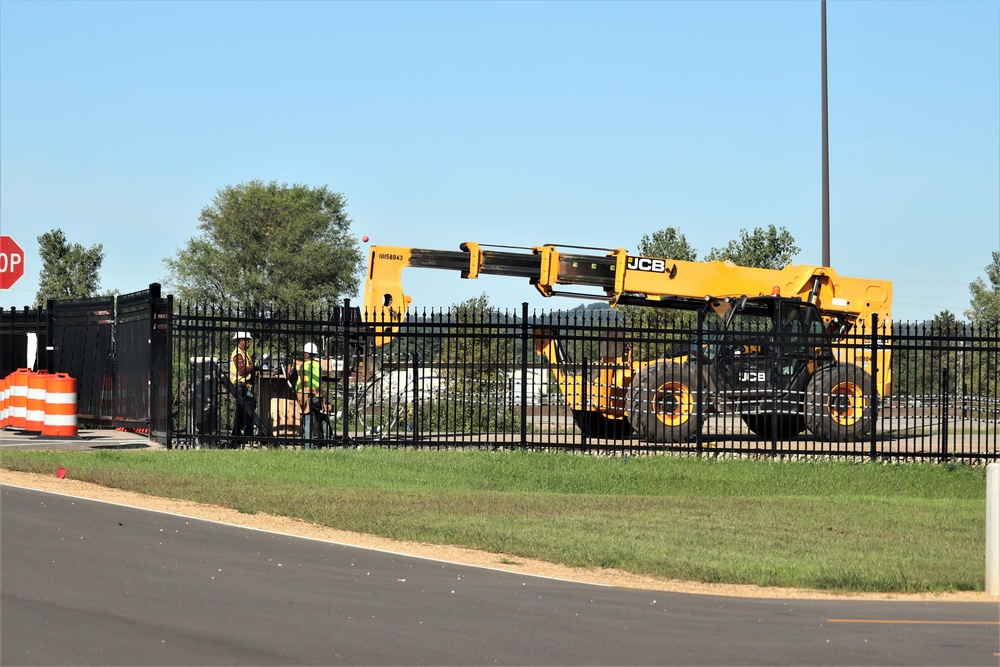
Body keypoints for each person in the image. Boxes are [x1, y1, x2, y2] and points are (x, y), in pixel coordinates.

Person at [287, 342, 327, 447]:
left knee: (307, 420)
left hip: (305, 396)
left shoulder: (300, 366)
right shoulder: (318, 365)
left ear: (306, 354)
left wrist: (290, 363)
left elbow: (289, 377)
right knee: (321, 417)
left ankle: (308, 446)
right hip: (318, 396)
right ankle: (328, 439)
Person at [230, 331, 256, 447]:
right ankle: (245, 436)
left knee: (242, 412)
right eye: (247, 340)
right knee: (247, 411)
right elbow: (241, 370)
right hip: (241, 386)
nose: (249, 342)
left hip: (244, 385)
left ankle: (237, 437)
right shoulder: (238, 354)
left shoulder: (244, 353)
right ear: (241, 341)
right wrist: (252, 366)